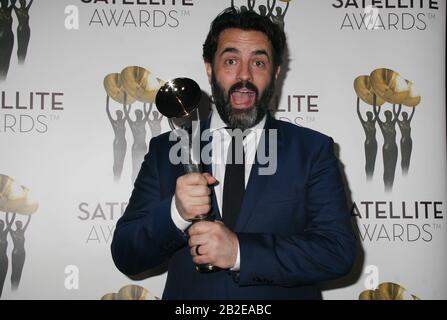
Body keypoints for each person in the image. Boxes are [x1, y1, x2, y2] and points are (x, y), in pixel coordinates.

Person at [111, 7, 356, 300]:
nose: (244, 75)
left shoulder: (312, 150)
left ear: (276, 72)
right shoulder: (167, 150)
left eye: (259, 62)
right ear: (209, 68)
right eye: (230, 61)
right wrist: (175, 213)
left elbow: (337, 252)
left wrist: (239, 252)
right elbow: (126, 254)